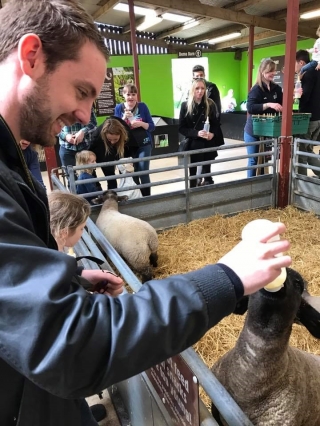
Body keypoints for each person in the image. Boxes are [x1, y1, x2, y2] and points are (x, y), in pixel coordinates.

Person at [0, 1, 292, 425]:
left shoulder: (13, 158)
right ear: (31, 57)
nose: (86, 113)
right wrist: (227, 276)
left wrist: (69, 280)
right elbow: (73, 344)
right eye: (81, 90)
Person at [179, 78, 224, 187]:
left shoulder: (210, 104)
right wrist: (196, 133)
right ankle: (192, 193)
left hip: (207, 143)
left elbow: (216, 124)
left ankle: (207, 194)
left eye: (202, 88)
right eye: (197, 88)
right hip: (193, 144)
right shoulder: (185, 106)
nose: (200, 91)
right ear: (192, 90)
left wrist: (212, 134)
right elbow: (182, 128)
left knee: (207, 171)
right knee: (192, 173)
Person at [244, 59, 283, 178]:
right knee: (254, 160)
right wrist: (268, 105)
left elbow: (282, 104)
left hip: (268, 131)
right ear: (262, 72)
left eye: (274, 71)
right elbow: (250, 107)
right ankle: (250, 187)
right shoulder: (256, 89)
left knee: (264, 161)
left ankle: (263, 185)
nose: (273, 73)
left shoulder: (276, 88)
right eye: (270, 71)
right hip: (253, 131)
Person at [114, 83, 155, 197]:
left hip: (144, 143)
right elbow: (115, 129)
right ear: (123, 95)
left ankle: (147, 198)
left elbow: (151, 127)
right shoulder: (118, 108)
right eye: (128, 94)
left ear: (137, 95)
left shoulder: (143, 107)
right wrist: (123, 118)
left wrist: (141, 124)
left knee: (143, 171)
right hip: (127, 146)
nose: (131, 97)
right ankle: (137, 197)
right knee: (133, 172)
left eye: (133, 94)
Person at [295, 49, 320, 177]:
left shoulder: (307, 74)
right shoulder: (317, 71)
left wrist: (297, 94)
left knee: (301, 152)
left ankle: (300, 181)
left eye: (295, 64)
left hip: (308, 118)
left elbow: (305, 96)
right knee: (309, 150)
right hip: (318, 118)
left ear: (301, 62)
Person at [90, 116, 133, 189]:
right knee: (110, 177)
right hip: (103, 152)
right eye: (110, 139)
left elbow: (131, 150)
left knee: (126, 174)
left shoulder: (126, 133)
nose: (112, 142)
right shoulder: (97, 135)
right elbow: (91, 150)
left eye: (115, 139)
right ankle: (111, 197)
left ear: (121, 135)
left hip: (121, 149)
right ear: (104, 134)